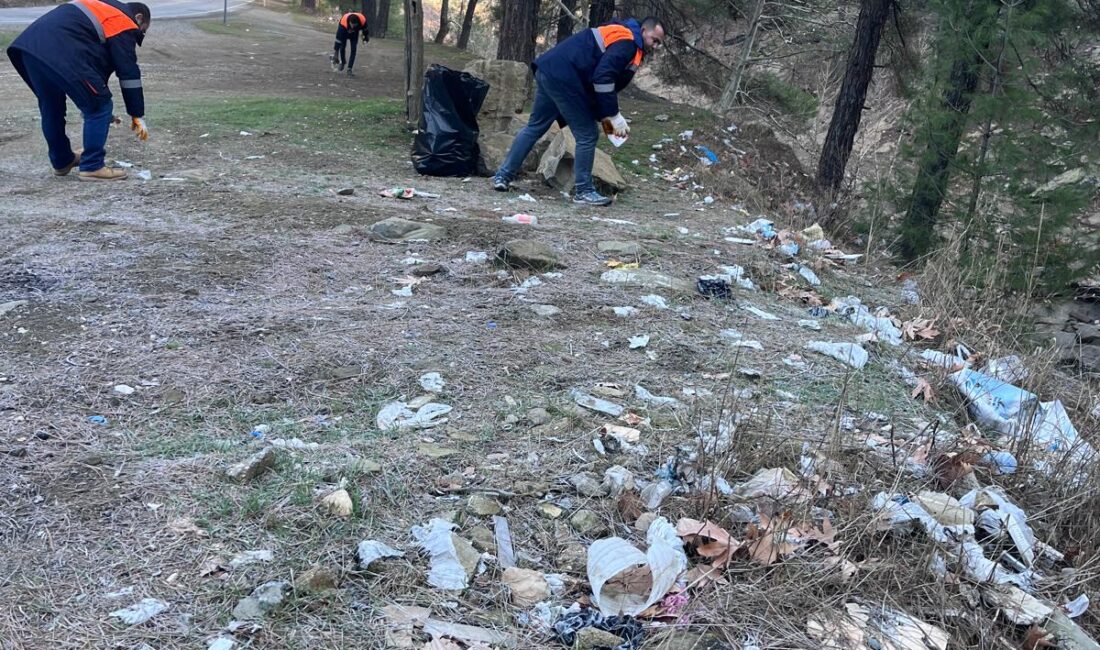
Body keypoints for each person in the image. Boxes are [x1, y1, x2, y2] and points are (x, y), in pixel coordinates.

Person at [492, 16, 665, 206]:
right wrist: (612, 115)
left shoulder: (619, 32)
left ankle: (502, 176)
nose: (655, 46)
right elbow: (603, 78)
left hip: (549, 70)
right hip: (564, 78)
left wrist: (602, 112)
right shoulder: (628, 43)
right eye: (654, 40)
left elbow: (594, 75)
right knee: (587, 134)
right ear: (643, 31)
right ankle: (584, 190)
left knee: (535, 127)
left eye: (659, 43)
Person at [6, 0, 150, 182]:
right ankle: (93, 166)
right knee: (100, 107)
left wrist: (91, 99)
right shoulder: (122, 21)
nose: (137, 35)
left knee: (52, 106)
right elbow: (128, 73)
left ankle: (62, 161)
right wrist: (137, 114)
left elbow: (94, 67)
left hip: (29, 49)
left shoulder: (100, 8)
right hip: (60, 52)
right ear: (138, 18)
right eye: (142, 30)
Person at [331, 12, 369, 77]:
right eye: (352, 25)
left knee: (353, 50)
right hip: (345, 32)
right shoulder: (343, 24)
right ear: (350, 22)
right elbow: (338, 40)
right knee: (342, 47)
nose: (353, 27)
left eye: (355, 26)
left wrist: (365, 37)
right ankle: (343, 62)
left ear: (357, 24)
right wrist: (336, 54)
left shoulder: (362, 20)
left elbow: (365, 29)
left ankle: (349, 69)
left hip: (354, 34)